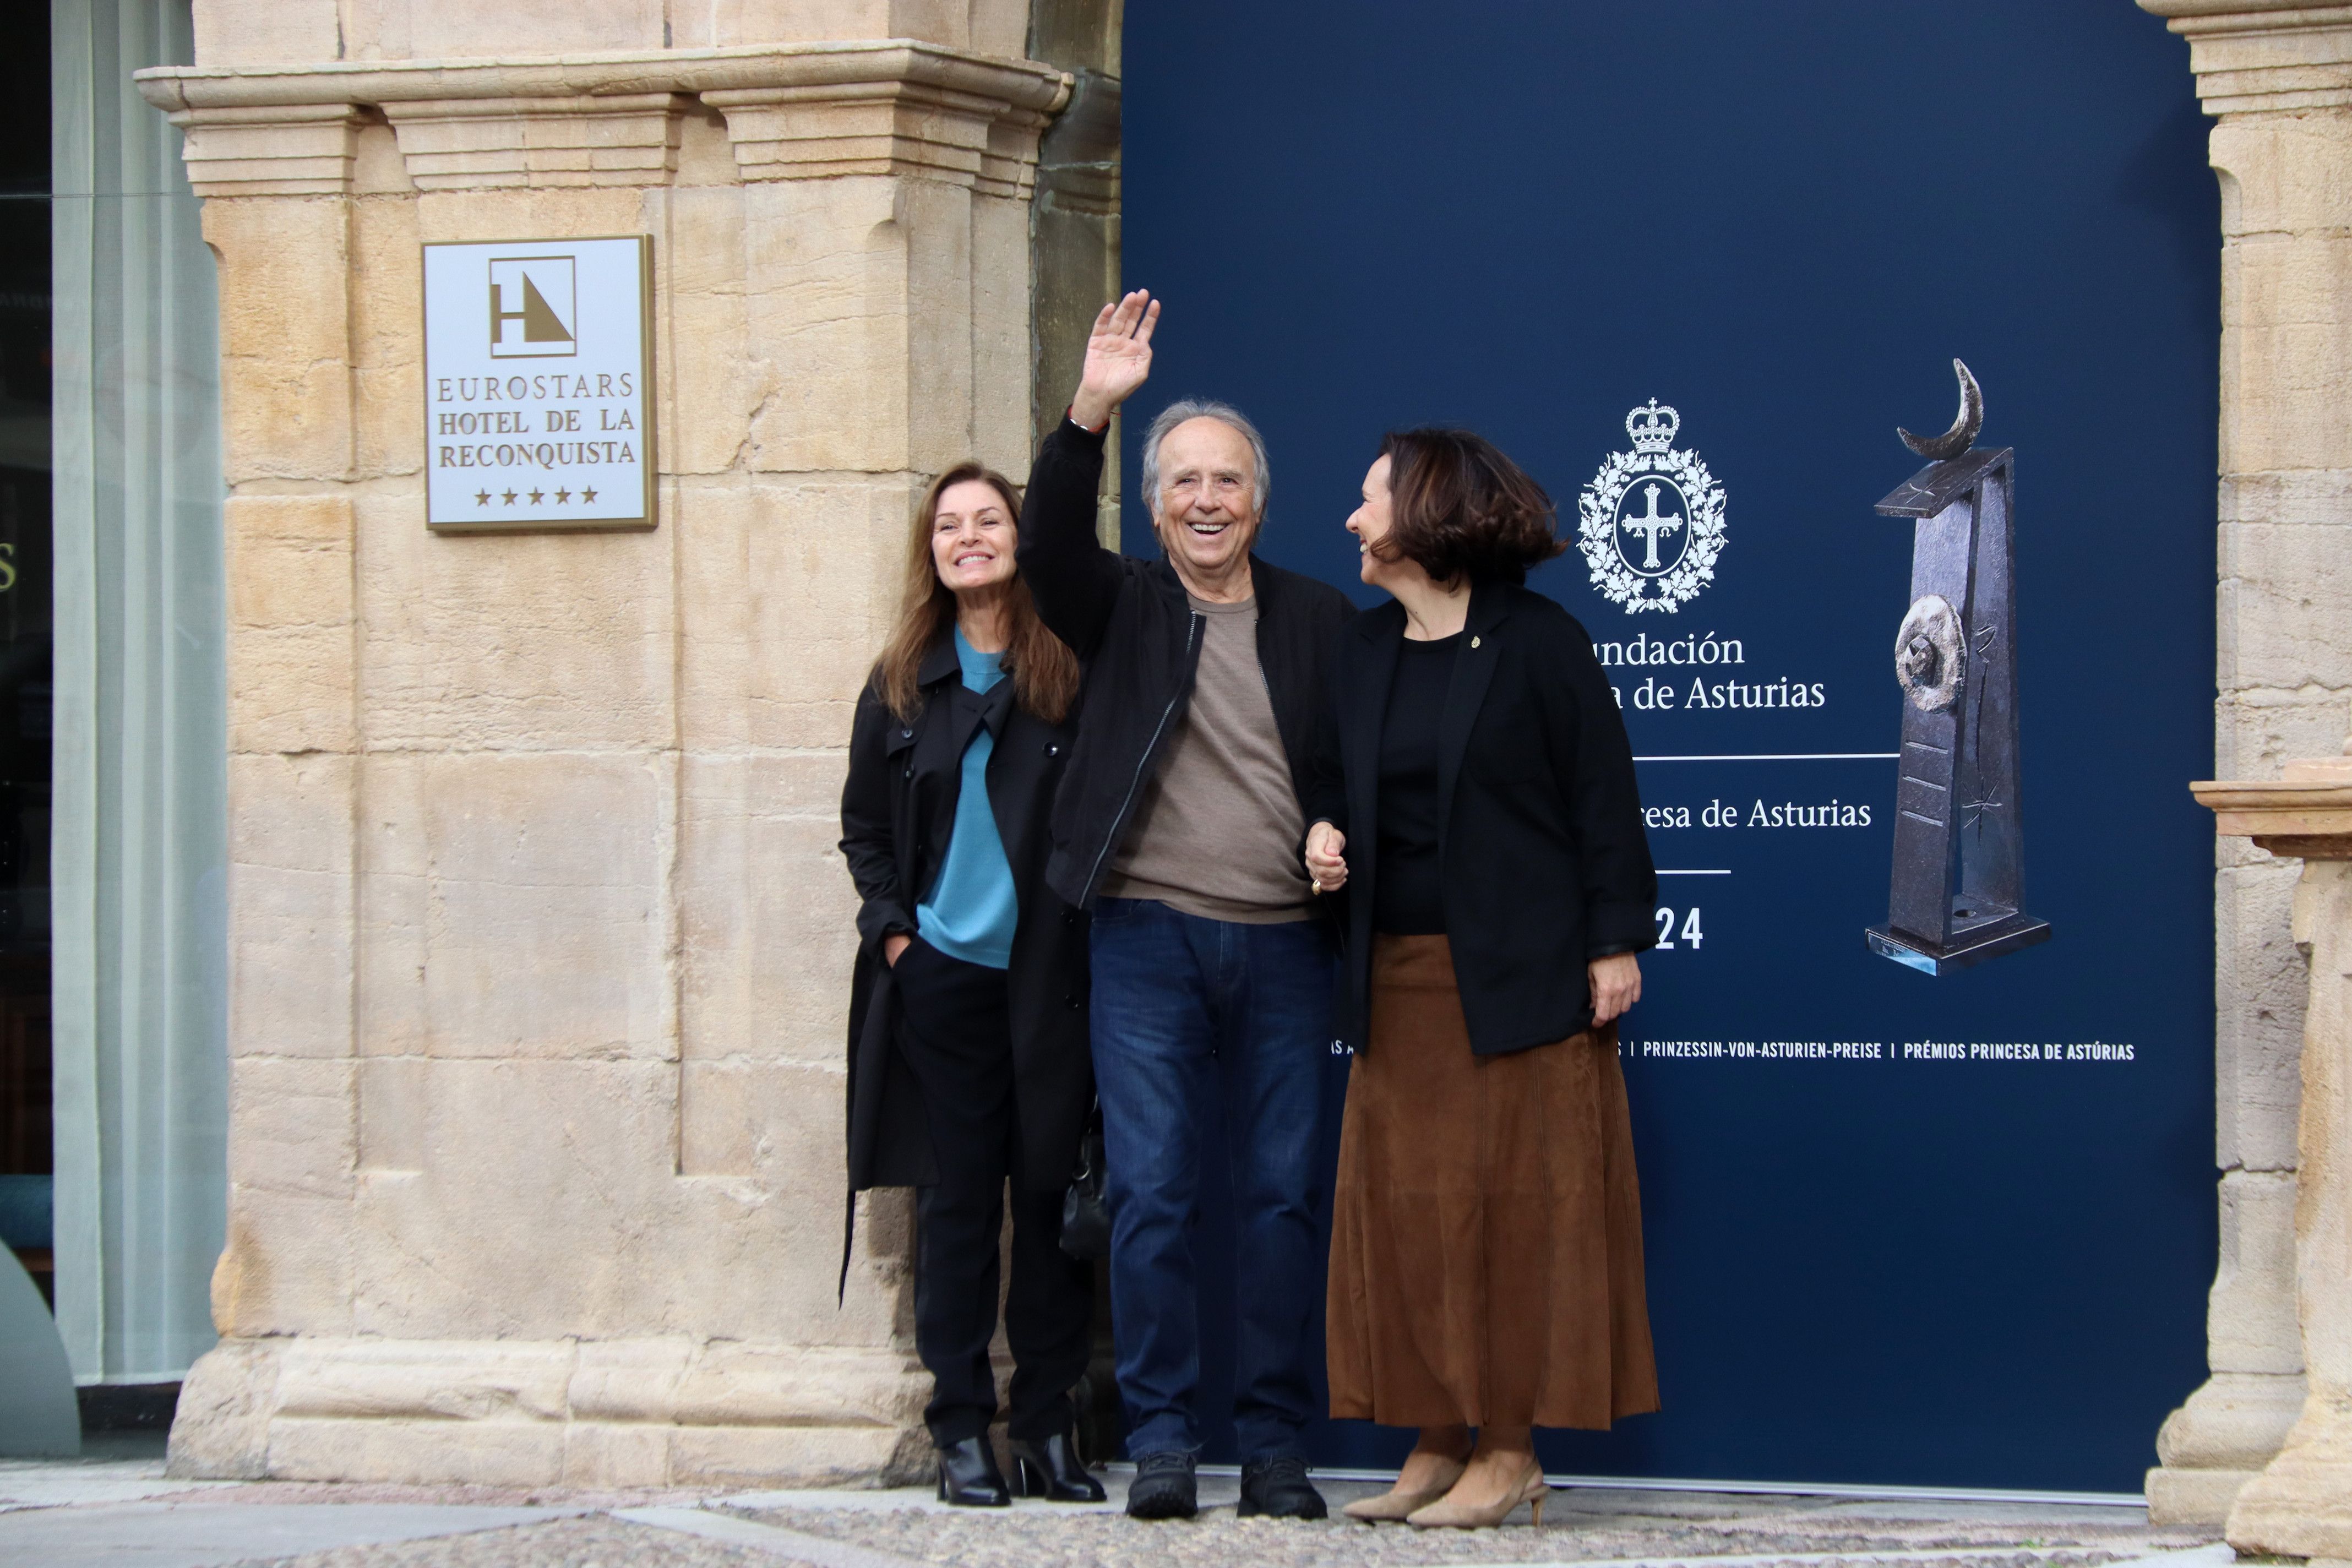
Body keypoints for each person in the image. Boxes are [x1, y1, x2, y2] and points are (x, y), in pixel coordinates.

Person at [1015, 291, 1355, 1521]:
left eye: (1228, 480)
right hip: (1145, 935)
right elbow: (1048, 543)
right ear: (1154, 508)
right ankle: (1162, 1439)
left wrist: (1339, 832)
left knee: (1279, 1193)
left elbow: (1359, 771)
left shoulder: (1321, 618)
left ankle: (1272, 1444)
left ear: (1260, 501)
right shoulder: (1127, 607)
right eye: (1184, 483)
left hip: (1283, 947)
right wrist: (1092, 409)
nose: (1207, 499)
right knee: (1153, 1192)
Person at [1304, 429, 1660, 1529]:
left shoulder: (1542, 644)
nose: (1354, 521)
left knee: (1518, 1222)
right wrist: (1320, 834)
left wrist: (1615, 942)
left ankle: (1510, 1449)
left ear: (1426, 511)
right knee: (1409, 1219)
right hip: (1396, 983)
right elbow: (1326, 784)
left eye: (1370, 500)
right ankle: (1435, 1439)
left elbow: (1605, 804)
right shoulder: (1359, 650)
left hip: (1524, 984)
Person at [839, 463, 1104, 1508]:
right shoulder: (902, 678)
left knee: (1049, 1210)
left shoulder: (1066, 666)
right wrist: (899, 939)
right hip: (943, 985)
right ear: (933, 552)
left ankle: (1046, 1427)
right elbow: (864, 831)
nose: (970, 538)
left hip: (1051, 985)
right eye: (949, 526)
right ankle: (960, 1430)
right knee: (958, 1211)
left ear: (1018, 539)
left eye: (988, 520)